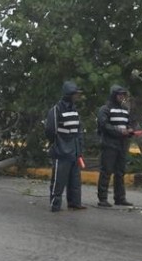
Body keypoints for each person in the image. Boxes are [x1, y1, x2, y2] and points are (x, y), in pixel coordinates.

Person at [44, 81, 86, 212]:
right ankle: (55, 204)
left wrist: (79, 149)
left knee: (75, 179)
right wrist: (58, 145)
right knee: (59, 180)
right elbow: (50, 130)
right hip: (62, 150)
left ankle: (74, 203)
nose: (77, 97)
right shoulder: (56, 110)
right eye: (75, 94)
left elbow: (78, 130)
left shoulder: (74, 110)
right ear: (68, 94)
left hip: (74, 150)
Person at [96, 85, 134, 207]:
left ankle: (120, 198)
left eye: (123, 94)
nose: (122, 97)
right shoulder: (105, 109)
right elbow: (103, 125)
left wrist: (130, 130)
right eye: (120, 94)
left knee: (120, 172)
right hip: (109, 144)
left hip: (121, 144)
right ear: (113, 95)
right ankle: (102, 198)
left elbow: (127, 124)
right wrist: (118, 131)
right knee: (106, 171)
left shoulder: (124, 109)